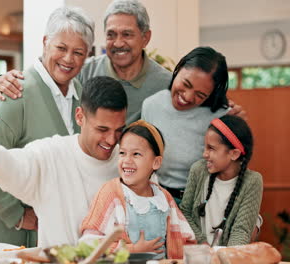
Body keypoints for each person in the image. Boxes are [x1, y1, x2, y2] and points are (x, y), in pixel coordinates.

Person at [0, 7, 94, 259]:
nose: (68, 59)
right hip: (3, 231)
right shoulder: (16, 93)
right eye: (61, 48)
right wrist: (18, 215)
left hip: (46, 230)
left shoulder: (80, 94)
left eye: (78, 52)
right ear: (45, 43)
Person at [0, 76, 128, 248]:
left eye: (119, 130)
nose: (112, 140)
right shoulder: (51, 155)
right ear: (80, 117)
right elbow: (10, 166)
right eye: (102, 129)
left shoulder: (128, 163)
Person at [0, 0, 171, 121]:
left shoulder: (166, 84)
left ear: (145, 38)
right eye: (111, 34)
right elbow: (45, 76)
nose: (118, 43)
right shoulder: (82, 70)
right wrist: (3, 81)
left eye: (127, 34)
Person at [79, 120, 195, 259]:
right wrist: (131, 249)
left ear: (156, 162)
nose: (127, 160)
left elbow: (185, 238)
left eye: (136, 154)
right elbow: (88, 244)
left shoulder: (163, 197)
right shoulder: (111, 193)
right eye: (122, 153)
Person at [141, 47, 230, 204]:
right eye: (186, 84)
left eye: (200, 95)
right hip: (157, 198)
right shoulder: (151, 105)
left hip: (201, 204)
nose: (188, 97)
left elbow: (232, 175)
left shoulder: (221, 117)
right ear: (178, 69)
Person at [179, 115, 263, 246]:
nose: (205, 154)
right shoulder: (198, 170)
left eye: (211, 148)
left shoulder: (252, 181)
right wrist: (202, 245)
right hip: (198, 254)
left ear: (234, 154)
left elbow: (241, 230)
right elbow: (185, 213)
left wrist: (226, 256)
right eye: (205, 147)